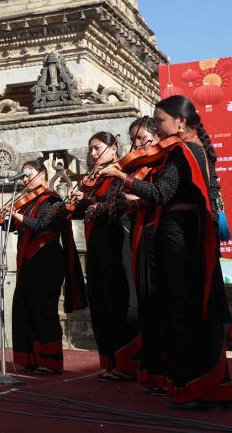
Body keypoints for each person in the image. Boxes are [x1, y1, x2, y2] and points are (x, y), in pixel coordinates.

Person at [100, 96, 232, 408]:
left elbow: (161, 193)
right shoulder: (187, 149)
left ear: (181, 122)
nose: (157, 128)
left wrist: (122, 178)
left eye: (160, 121)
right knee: (184, 307)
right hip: (180, 233)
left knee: (183, 307)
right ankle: (198, 386)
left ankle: (197, 387)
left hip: (180, 236)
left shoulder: (183, 151)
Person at [0, 159, 85, 374]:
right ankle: (31, 358)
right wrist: (0, 221)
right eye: (23, 175)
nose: (25, 179)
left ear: (42, 175)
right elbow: (19, 225)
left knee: (44, 309)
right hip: (29, 261)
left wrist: (15, 214)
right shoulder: (27, 201)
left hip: (47, 259)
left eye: (29, 174)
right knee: (26, 308)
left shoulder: (52, 199)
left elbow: (40, 224)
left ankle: (51, 361)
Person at [65, 132, 139, 381]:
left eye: (97, 148)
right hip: (97, 243)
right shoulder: (94, 178)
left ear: (113, 148)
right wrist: (75, 201)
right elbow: (83, 210)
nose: (93, 153)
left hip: (117, 239)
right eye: (91, 149)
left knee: (120, 298)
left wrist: (89, 200)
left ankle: (129, 363)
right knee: (101, 300)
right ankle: (110, 362)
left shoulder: (123, 171)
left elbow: (118, 202)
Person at [123, 116, 166, 393]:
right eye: (134, 141)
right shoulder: (142, 167)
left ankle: (164, 372)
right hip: (142, 236)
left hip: (158, 238)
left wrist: (130, 188)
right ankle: (153, 372)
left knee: (159, 303)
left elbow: (161, 194)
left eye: (142, 139)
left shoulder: (164, 163)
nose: (138, 145)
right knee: (147, 305)